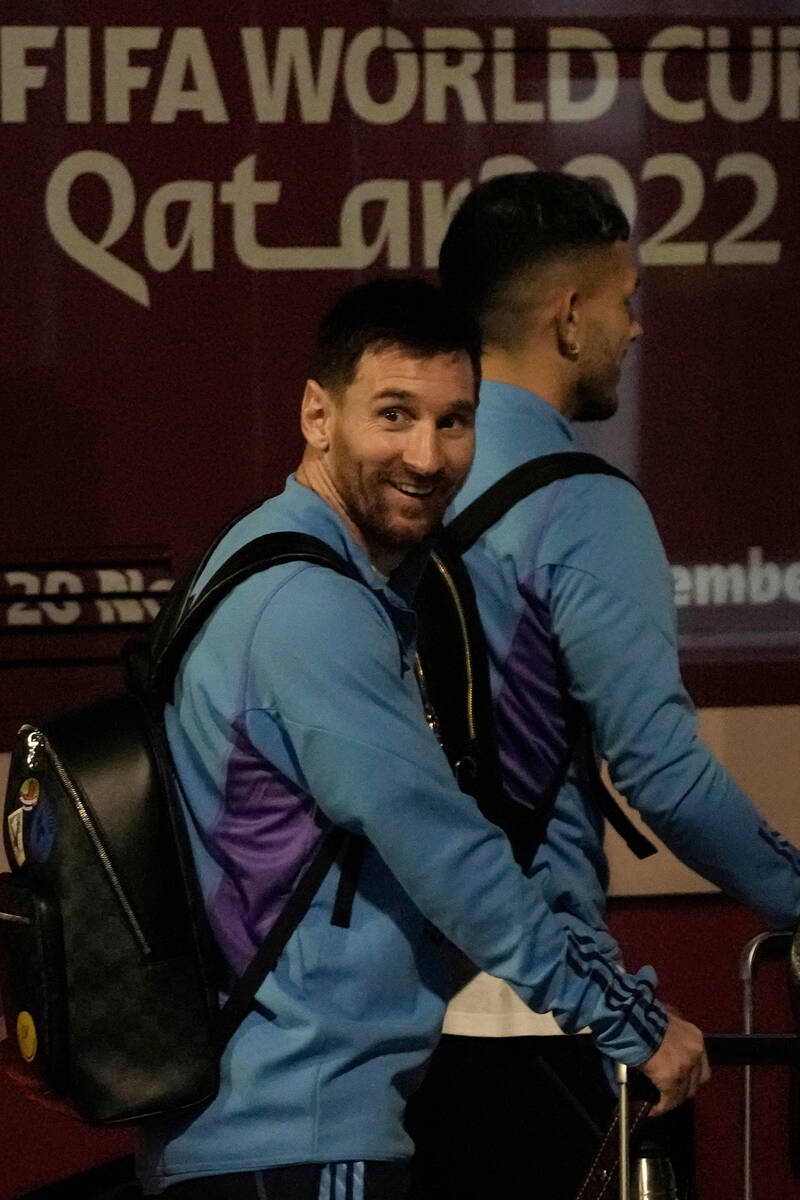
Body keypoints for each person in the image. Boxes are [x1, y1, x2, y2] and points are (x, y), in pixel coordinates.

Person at [136, 276, 706, 1200]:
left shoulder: (274, 561)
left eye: (454, 421)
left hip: (267, 1133)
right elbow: (448, 853)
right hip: (295, 1140)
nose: (427, 455)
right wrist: (625, 1020)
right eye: (393, 414)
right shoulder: (310, 609)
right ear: (317, 415)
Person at [404, 172, 800, 1198]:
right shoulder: (584, 506)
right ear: (566, 317)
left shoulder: (386, 486)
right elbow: (661, 772)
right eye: (625, 302)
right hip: (535, 1018)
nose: (635, 329)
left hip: (386, 1021)